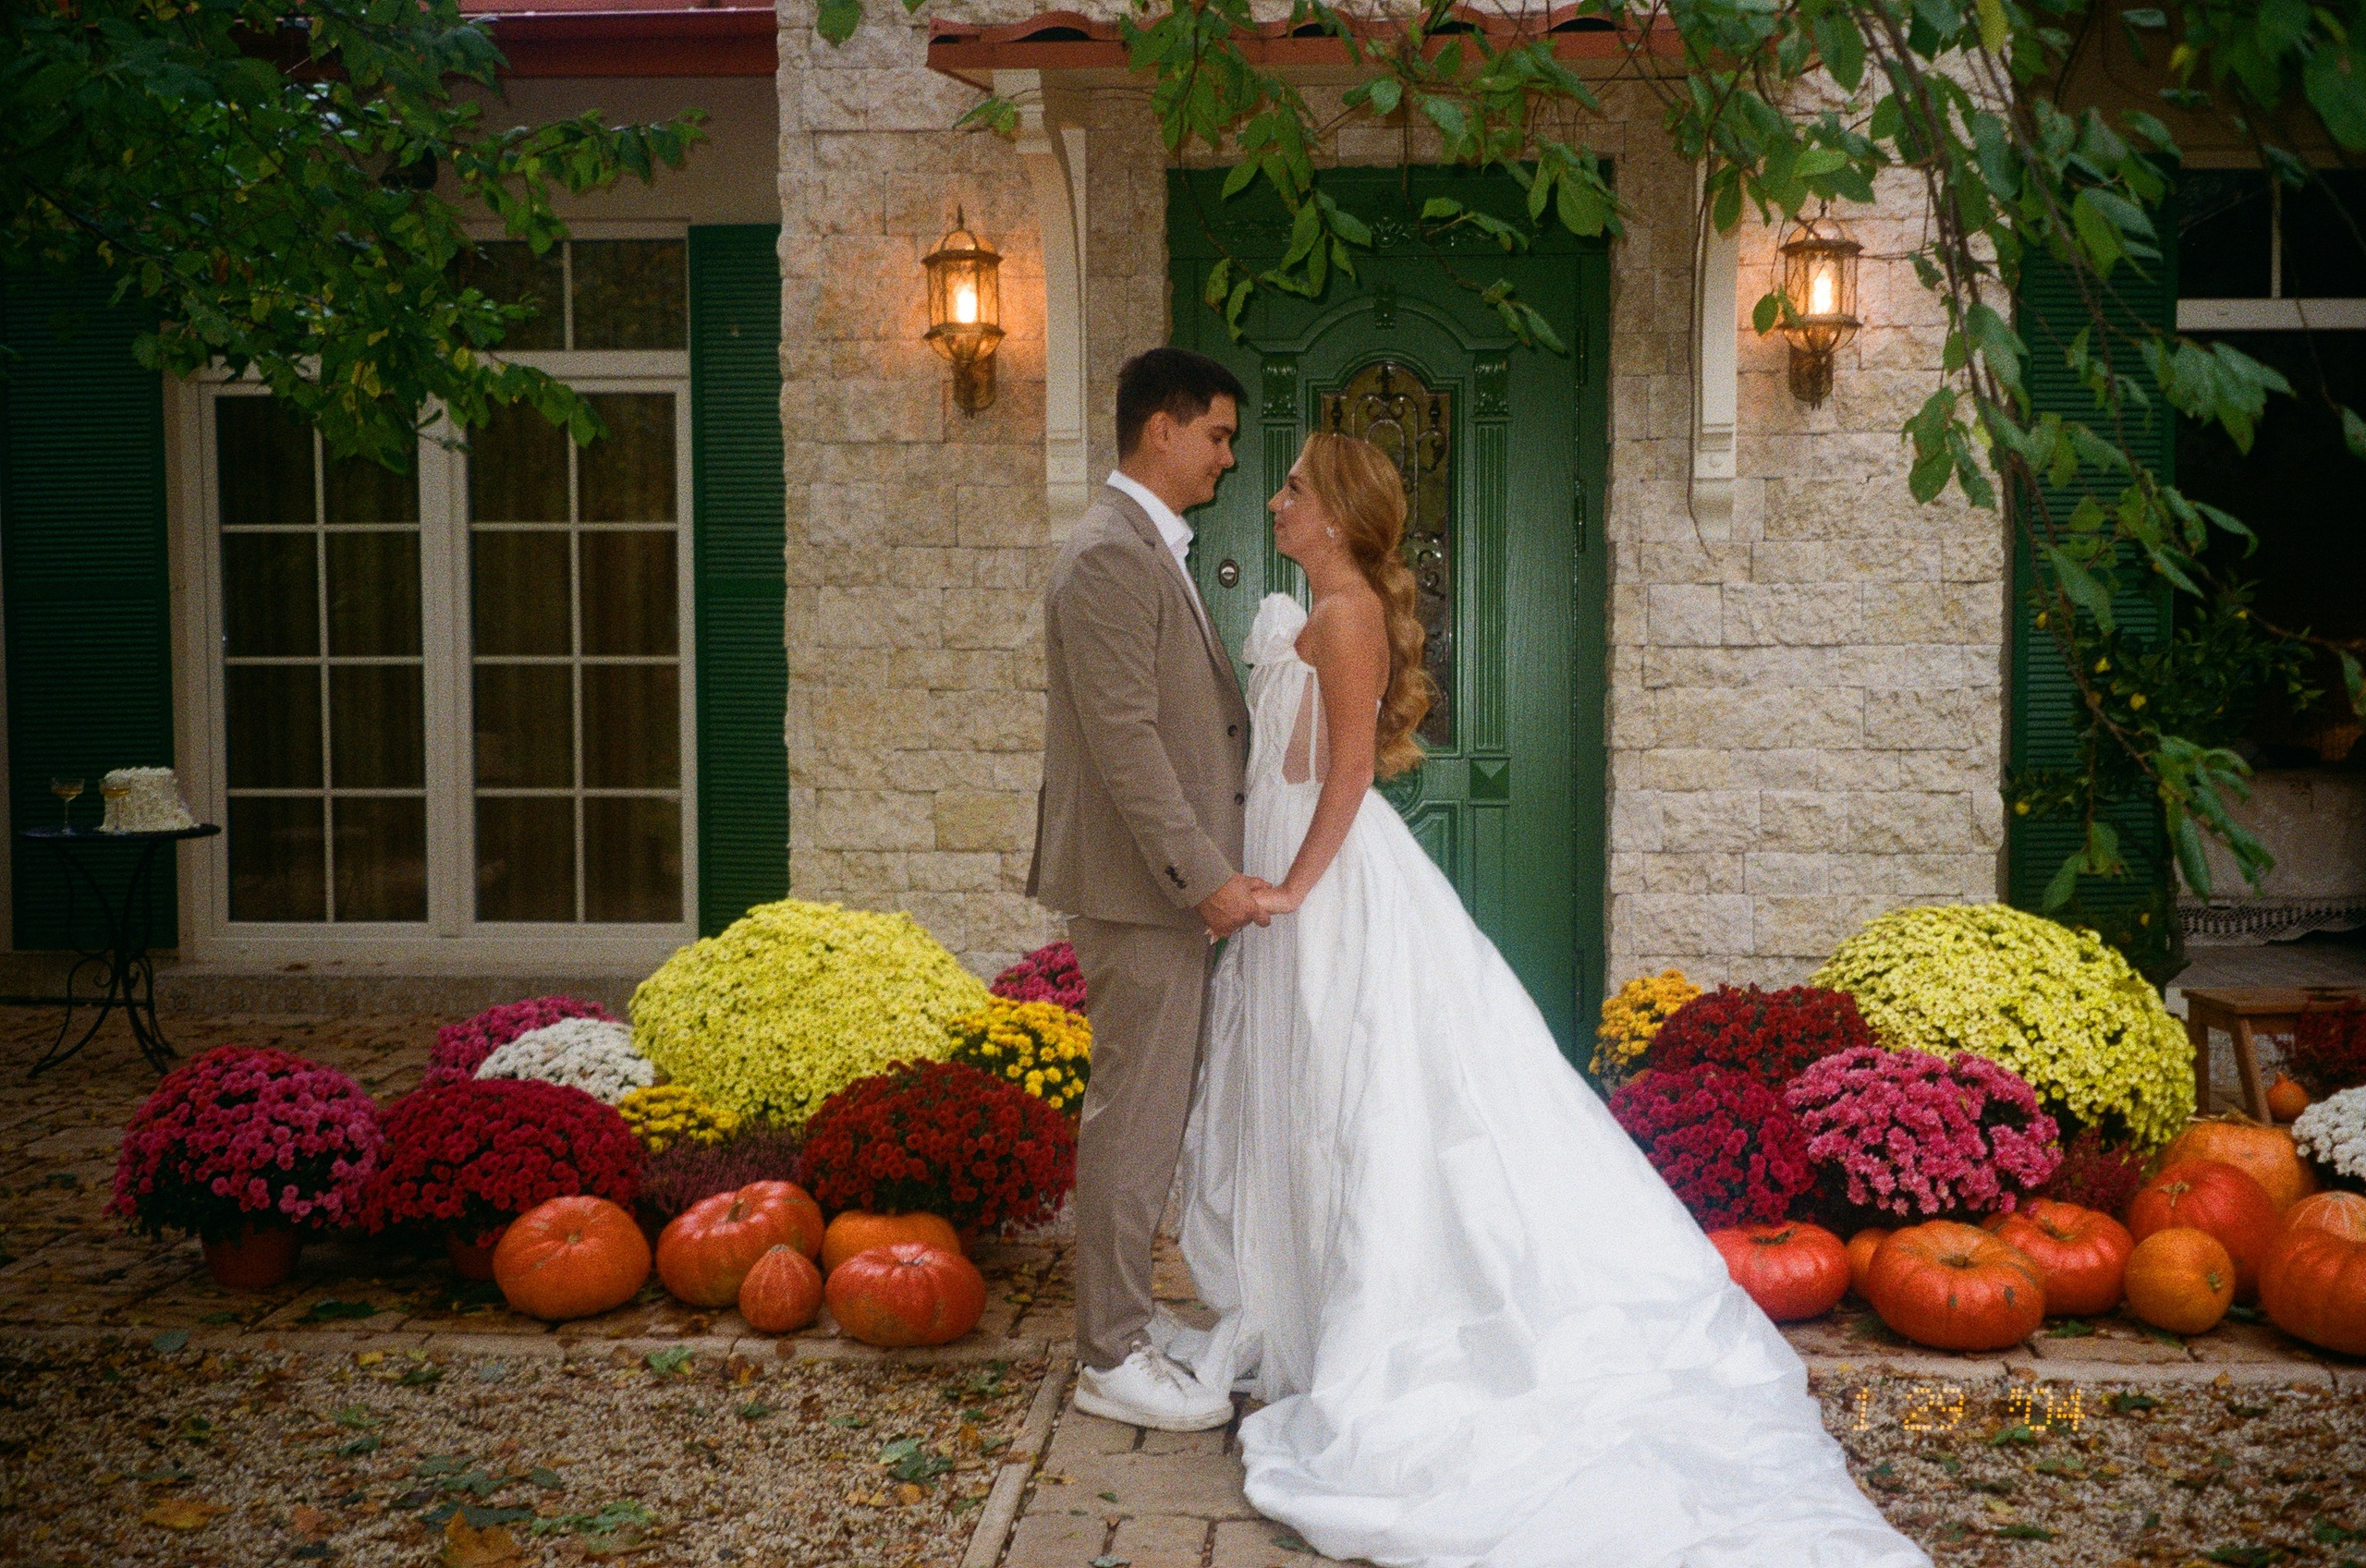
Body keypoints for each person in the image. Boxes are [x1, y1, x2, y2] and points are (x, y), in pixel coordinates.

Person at [1161, 431, 1935, 1567]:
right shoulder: (1312, 608)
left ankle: (1397, 1317)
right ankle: (1309, 1311)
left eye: (1291, 488)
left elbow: (1349, 775)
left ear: (1333, 514)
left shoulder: (1351, 614)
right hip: (1290, 878)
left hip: (1331, 886)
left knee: (1367, 1094)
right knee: (1311, 1091)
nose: (1269, 498)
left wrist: (1293, 887)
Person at [1027, 346, 1272, 1432]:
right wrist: (1204, 878)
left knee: (1147, 1112)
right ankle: (1108, 1355)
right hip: (1141, 892)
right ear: (1160, 429)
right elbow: (1126, 744)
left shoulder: (1144, 547)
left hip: (1154, 891)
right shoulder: (1109, 556)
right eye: (1216, 435)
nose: (1226, 457)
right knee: (1132, 1120)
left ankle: (1126, 1318)